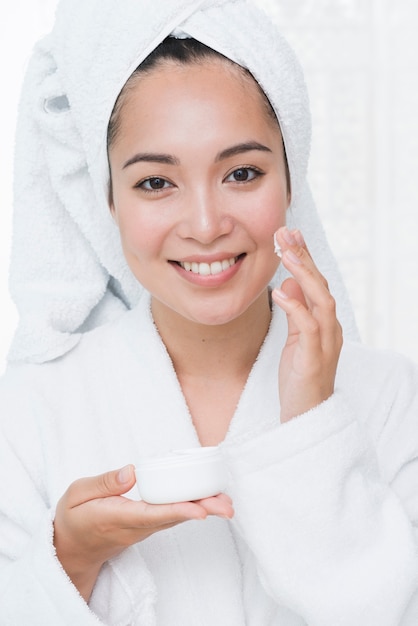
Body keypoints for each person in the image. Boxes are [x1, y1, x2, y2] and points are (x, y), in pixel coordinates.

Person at [1, 0, 418, 624]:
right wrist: (73, 558)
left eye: (242, 172)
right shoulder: (31, 408)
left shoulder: (393, 398)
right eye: (155, 183)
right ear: (107, 199)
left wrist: (311, 427)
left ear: (291, 179)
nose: (204, 226)